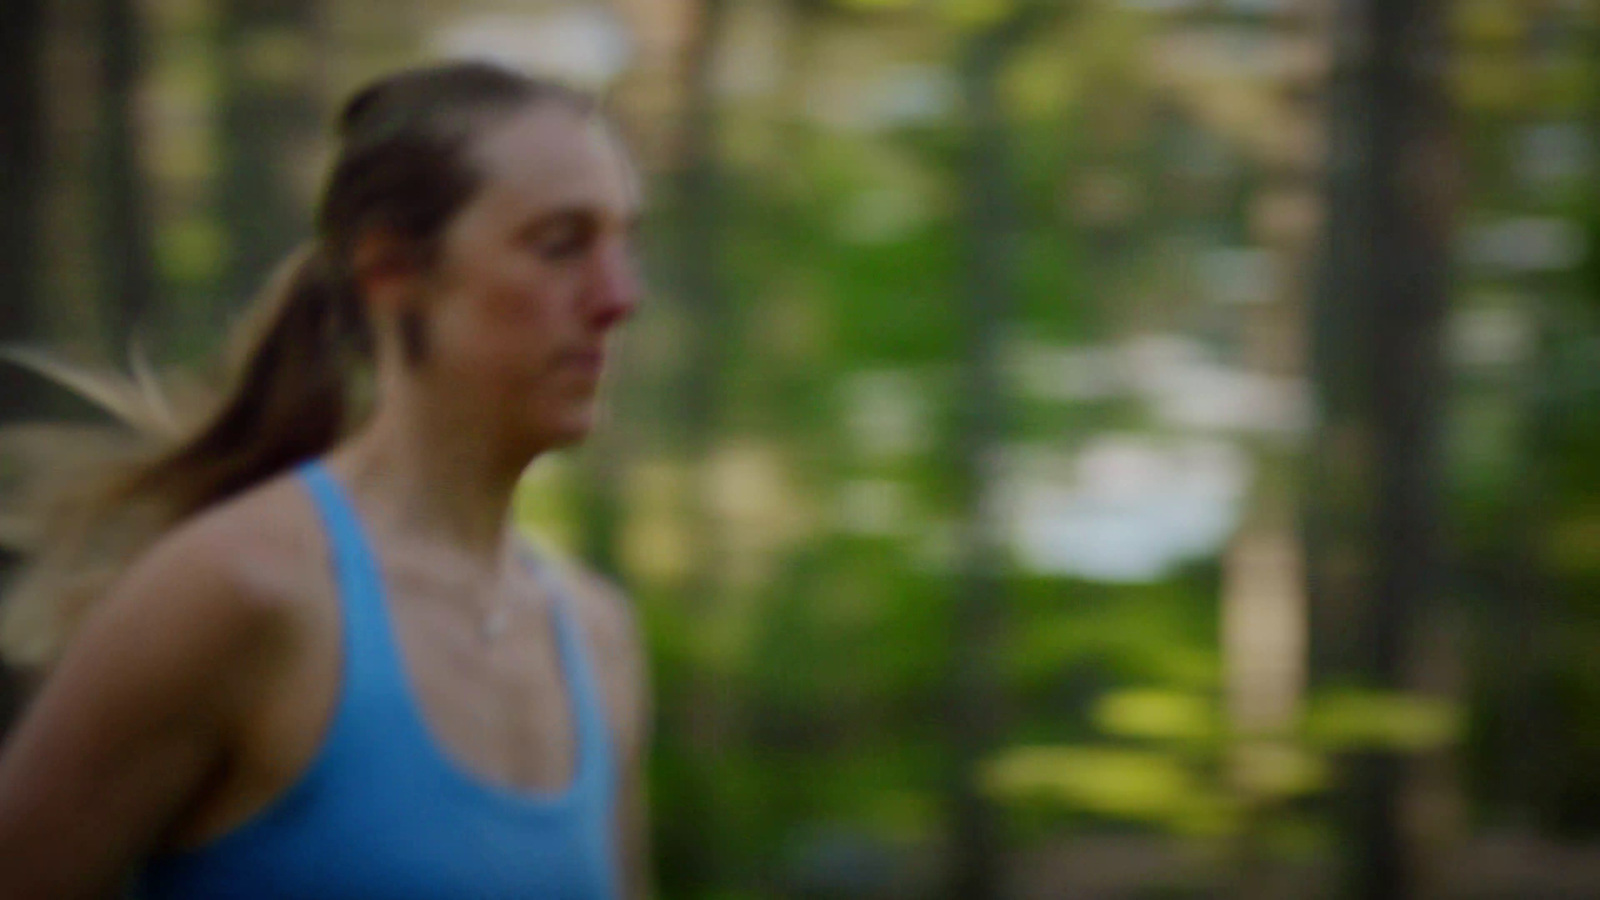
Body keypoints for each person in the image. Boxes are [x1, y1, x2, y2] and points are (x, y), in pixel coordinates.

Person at [0, 61, 650, 899]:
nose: (619, 296)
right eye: (560, 245)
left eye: (623, 243)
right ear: (390, 273)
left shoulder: (598, 638)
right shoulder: (239, 592)